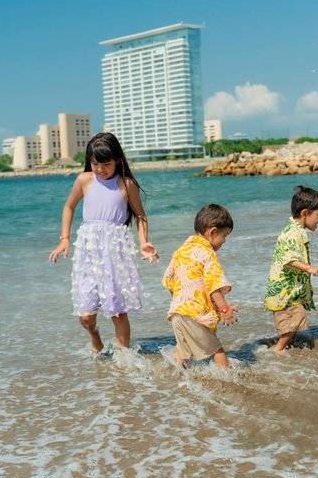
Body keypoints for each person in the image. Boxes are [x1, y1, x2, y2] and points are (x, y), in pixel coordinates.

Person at [49, 132, 158, 352]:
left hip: (114, 254)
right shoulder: (84, 180)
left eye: (105, 164)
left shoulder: (126, 184)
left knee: (117, 311)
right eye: (95, 163)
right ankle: (95, 335)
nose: (100, 169)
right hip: (88, 253)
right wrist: (64, 239)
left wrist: (144, 242)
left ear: (117, 159)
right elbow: (69, 206)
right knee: (86, 316)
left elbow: (140, 216)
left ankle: (122, 360)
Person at [162, 204, 237, 368]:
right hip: (196, 314)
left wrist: (181, 301)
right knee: (217, 350)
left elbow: (169, 280)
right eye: (224, 236)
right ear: (213, 232)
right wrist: (224, 309)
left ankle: (174, 377)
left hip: (176, 311)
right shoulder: (207, 253)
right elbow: (214, 285)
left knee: (182, 351)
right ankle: (230, 382)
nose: (224, 241)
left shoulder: (181, 251)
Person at [264, 185, 318, 353]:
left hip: (290, 289)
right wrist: (309, 268)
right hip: (284, 290)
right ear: (304, 213)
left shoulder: (297, 231)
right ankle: (278, 349)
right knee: (295, 318)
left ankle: (283, 344)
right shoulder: (292, 233)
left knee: (293, 320)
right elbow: (288, 259)